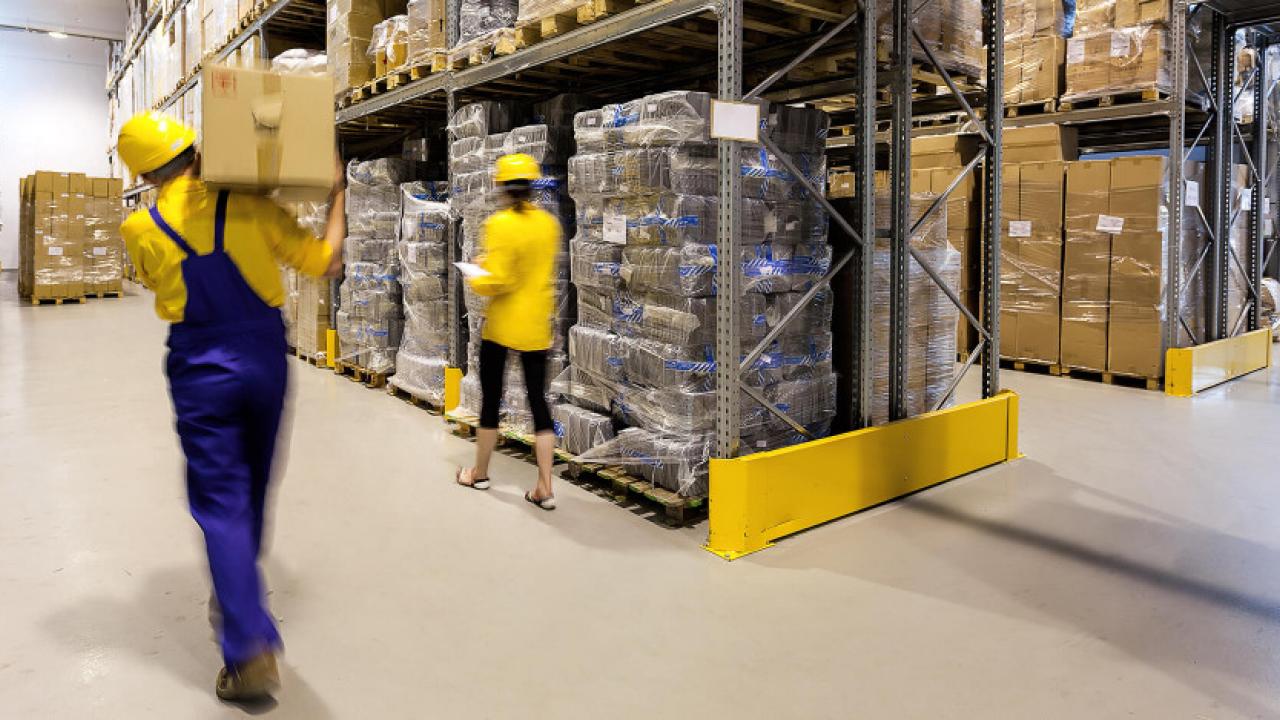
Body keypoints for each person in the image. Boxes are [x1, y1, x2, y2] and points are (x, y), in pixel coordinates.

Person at [117, 112, 346, 702]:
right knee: (254, 488)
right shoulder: (249, 206)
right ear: (196, 153)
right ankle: (240, 594)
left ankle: (248, 653)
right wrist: (337, 194)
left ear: (145, 175)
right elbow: (325, 261)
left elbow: (152, 281)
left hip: (200, 366)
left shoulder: (140, 227)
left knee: (221, 503)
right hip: (263, 358)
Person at [456, 153, 561, 509]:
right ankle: (545, 487)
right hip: (537, 325)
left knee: (490, 400)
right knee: (539, 403)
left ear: (502, 187)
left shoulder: (499, 224)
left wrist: (478, 270)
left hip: (502, 326)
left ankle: (479, 473)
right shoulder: (549, 225)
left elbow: (498, 280)